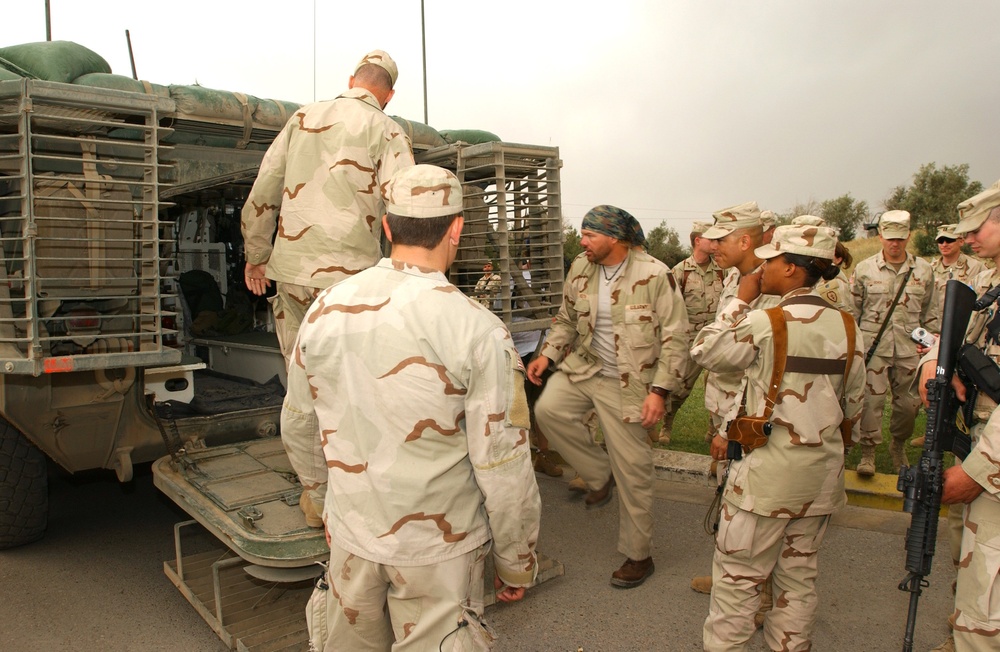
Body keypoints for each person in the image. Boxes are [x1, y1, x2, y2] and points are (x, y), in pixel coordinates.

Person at [281, 164, 541, 651]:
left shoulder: (325, 309)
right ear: (457, 228)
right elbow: (503, 464)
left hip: (353, 535)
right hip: (437, 554)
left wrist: (324, 508)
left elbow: (298, 424)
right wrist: (516, 558)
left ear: (385, 226)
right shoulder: (478, 331)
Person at [241, 49, 415, 526]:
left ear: (352, 78)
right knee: (356, 387)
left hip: (294, 276)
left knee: (303, 386)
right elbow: (401, 210)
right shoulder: (388, 130)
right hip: (352, 285)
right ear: (389, 93)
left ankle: (316, 497)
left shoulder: (302, 117)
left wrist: (257, 257)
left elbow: (264, 191)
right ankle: (359, 488)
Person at [693, 223, 866, 651]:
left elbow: (706, 351)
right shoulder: (847, 327)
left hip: (764, 483)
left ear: (792, 269)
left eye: (771, 260)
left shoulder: (766, 321)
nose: (763, 267)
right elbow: (856, 405)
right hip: (819, 480)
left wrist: (738, 300)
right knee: (798, 584)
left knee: (736, 586)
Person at [527, 204, 690, 589]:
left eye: (589, 236)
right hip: (587, 368)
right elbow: (567, 319)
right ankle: (599, 474)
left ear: (614, 238)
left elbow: (676, 336)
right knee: (549, 410)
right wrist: (547, 355)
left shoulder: (653, 274)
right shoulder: (581, 268)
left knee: (634, 471)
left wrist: (659, 391)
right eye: (582, 235)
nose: (582, 242)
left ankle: (638, 556)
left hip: (632, 385)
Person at [917, 184, 1000, 652]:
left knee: (988, 594)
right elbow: (950, 342)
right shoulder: (990, 284)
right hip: (979, 445)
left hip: (992, 464)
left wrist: (979, 472)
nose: (966, 240)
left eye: (976, 229)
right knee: (974, 574)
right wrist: (934, 363)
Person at [690, 202, 782, 605]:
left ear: (746, 240)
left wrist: (730, 429)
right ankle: (731, 576)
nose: (712, 245)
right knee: (729, 495)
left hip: (747, 418)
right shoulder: (737, 277)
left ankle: (758, 594)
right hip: (725, 407)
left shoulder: (768, 288)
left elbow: (756, 369)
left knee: (754, 508)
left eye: (721, 238)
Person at [849, 210, 940, 475]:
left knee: (908, 406)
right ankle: (868, 453)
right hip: (873, 348)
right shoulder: (864, 269)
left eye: (900, 238)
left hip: (910, 349)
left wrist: (932, 351)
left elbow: (930, 313)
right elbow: (853, 313)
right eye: (890, 238)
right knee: (870, 403)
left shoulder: (923, 270)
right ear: (880, 237)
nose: (895, 243)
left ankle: (898, 445)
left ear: (908, 236)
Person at [910, 223, 985, 450]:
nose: (944, 244)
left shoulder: (978, 269)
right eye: (940, 241)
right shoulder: (930, 268)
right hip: (936, 333)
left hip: (964, 334)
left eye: (949, 240)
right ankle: (933, 430)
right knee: (935, 386)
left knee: (961, 388)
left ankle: (958, 431)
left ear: (960, 241)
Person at [661, 220, 725, 445]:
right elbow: (668, 307)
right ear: (698, 241)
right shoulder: (680, 271)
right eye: (711, 239)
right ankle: (666, 424)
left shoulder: (722, 271)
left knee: (719, 386)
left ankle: (714, 431)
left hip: (717, 340)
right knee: (679, 388)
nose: (716, 244)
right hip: (690, 341)